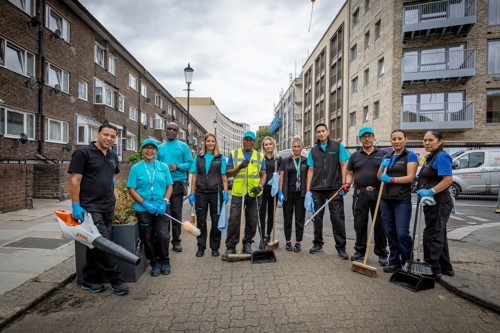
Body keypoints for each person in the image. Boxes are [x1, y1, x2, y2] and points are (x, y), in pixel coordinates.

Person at [69, 123, 129, 295]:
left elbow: (116, 172)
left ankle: (89, 279)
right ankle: (117, 280)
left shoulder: (112, 155)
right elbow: (75, 180)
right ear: (98, 134)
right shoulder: (84, 153)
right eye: (106, 135)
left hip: (107, 206)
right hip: (89, 207)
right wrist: (75, 205)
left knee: (96, 245)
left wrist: (111, 181)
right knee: (104, 244)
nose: (109, 139)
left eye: (112, 136)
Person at [127, 139, 173, 277]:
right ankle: (154, 263)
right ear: (142, 150)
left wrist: (165, 202)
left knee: (163, 236)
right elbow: (131, 189)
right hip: (143, 209)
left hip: (162, 208)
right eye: (146, 148)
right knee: (147, 237)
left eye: (153, 148)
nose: (149, 151)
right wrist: (144, 203)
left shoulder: (163, 167)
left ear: (156, 151)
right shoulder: (136, 168)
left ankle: (165, 261)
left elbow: (170, 186)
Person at [305, 123, 351, 258]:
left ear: (328, 131)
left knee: (337, 218)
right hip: (317, 189)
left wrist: (344, 184)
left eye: (323, 131)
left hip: (335, 188)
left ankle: (341, 247)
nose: (321, 133)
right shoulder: (313, 151)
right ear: (316, 134)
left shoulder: (338, 146)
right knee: (317, 217)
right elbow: (310, 170)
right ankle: (317, 244)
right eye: (318, 132)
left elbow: (344, 165)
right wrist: (308, 190)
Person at [345, 127, 389, 265]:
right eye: (364, 137)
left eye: (370, 136)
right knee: (360, 223)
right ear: (360, 140)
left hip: (379, 192)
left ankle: (382, 253)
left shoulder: (383, 154)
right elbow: (350, 173)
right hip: (360, 193)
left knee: (380, 225)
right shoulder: (355, 156)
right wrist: (347, 183)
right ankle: (359, 251)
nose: (367, 139)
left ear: (374, 137)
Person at [377, 129, 418, 273]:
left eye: (400, 138)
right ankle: (394, 262)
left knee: (402, 233)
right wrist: (383, 167)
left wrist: (391, 179)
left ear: (405, 139)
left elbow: (410, 177)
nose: (397, 141)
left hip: (402, 200)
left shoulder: (410, 156)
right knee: (390, 232)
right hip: (386, 200)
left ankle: (407, 261)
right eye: (394, 139)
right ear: (391, 141)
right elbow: (379, 177)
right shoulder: (388, 155)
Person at [222, 131, 267, 260]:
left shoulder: (259, 156)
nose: (248, 142)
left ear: (254, 142)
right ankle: (230, 246)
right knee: (234, 220)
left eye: (251, 140)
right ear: (243, 141)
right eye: (246, 140)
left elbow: (263, 174)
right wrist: (240, 167)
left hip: (254, 193)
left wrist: (260, 187)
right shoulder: (234, 154)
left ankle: (247, 244)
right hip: (238, 192)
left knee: (252, 220)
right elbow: (228, 173)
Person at [416, 130, 454, 280]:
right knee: (439, 235)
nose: (427, 143)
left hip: (439, 203)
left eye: (430, 140)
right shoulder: (430, 157)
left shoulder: (442, 156)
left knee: (432, 236)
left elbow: (448, 179)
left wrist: (430, 191)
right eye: (425, 140)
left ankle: (431, 270)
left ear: (440, 141)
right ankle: (445, 268)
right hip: (432, 203)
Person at [189, 133, 229, 257]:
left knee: (216, 221)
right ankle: (201, 247)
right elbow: (194, 176)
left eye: (213, 141)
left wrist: (226, 192)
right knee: (201, 221)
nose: (210, 143)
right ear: (205, 142)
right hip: (200, 193)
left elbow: (223, 176)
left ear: (215, 143)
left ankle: (215, 247)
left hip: (216, 194)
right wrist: (192, 193)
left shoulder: (220, 158)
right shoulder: (199, 157)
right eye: (208, 141)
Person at [157, 122, 193, 252]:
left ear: (177, 132)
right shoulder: (160, 147)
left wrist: (177, 166)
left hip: (177, 184)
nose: (171, 131)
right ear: (166, 130)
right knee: (164, 214)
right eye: (169, 129)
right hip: (162, 185)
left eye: (174, 129)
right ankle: (164, 239)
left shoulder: (183, 146)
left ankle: (176, 241)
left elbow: (189, 163)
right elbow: (155, 164)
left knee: (176, 213)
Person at [278, 136, 308, 252]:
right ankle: (288, 242)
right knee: (288, 219)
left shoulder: (306, 161)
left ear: (302, 148)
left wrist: (308, 192)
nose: (296, 149)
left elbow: (309, 176)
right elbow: (281, 177)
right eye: (294, 147)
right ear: (292, 148)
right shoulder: (286, 161)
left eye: (298, 147)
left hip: (301, 195)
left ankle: (298, 242)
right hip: (288, 194)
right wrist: (280, 191)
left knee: (299, 219)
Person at [259, 137, 282, 248]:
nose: (268, 146)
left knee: (271, 214)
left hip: (273, 191)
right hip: (262, 190)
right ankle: (262, 236)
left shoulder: (278, 159)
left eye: (270, 144)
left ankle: (268, 235)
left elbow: (281, 175)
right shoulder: (260, 158)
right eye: (266, 144)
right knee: (262, 214)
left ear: (273, 145)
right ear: (263, 146)